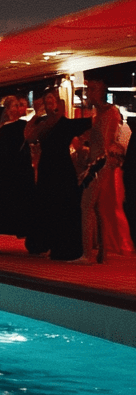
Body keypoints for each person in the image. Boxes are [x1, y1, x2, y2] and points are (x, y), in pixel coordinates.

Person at [24, 90, 91, 260]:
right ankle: (47, 243)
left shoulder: (65, 123)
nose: (49, 103)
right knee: (47, 204)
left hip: (62, 167)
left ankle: (65, 245)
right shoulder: (43, 124)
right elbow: (29, 137)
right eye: (47, 100)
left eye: (51, 100)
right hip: (47, 167)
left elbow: (90, 126)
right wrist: (35, 115)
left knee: (64, 204)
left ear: (58, 103)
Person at [80, 78, 133, 261]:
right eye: (89, 90)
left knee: (89, 206)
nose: (89, 93)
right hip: (99, 163)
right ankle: (100, 251)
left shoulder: (110, 113)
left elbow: (106, 142)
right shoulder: (98, 114)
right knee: (100, 207)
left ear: (101, 91)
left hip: (101, 165)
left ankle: (88, 253)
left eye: (93, 89)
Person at [0, 96, 34, 254]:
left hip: (16, 171)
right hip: (11, 172)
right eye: (15, 106)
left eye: (19, 105)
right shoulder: (8, 129)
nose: (18, 109)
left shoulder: (14, 127)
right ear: (8, 111)